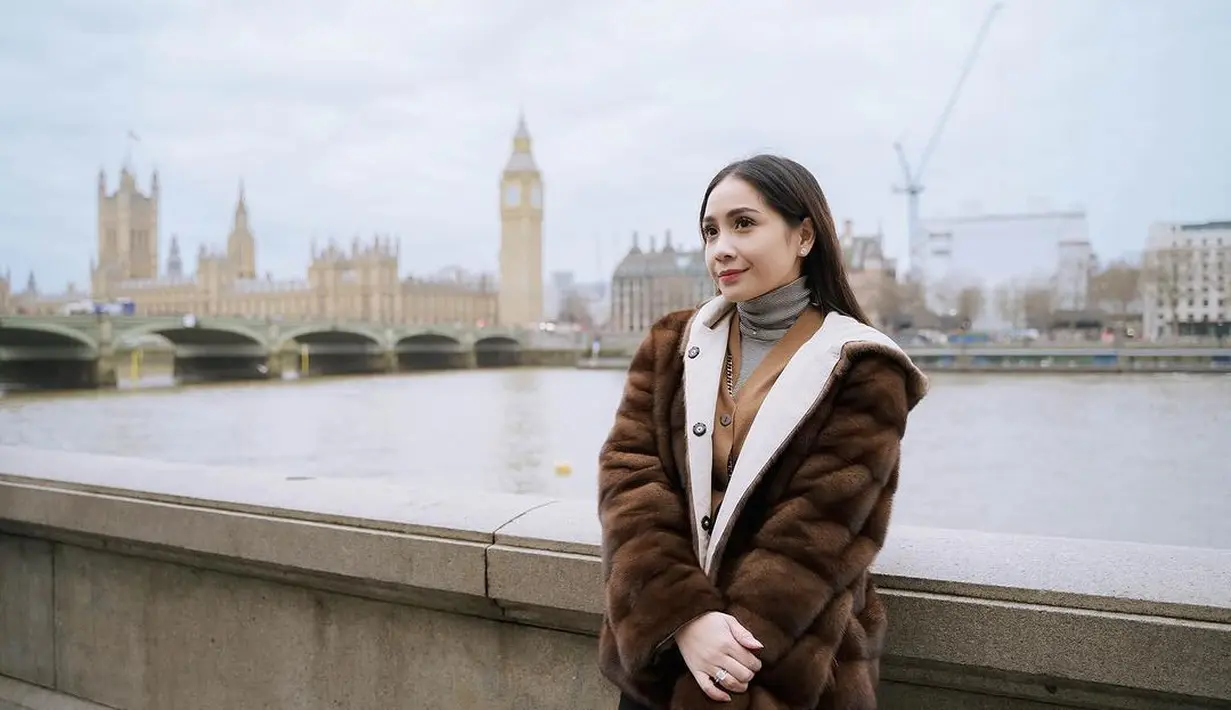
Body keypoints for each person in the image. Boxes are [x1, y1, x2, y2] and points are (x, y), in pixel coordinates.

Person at [596, 154, 929, 709]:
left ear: (804, 236)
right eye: (710, 231)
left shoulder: (864, 367)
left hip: (788, 667)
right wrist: (682, 616)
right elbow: (629, 482)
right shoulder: (669, 345)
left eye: (743, 224)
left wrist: (723, 657)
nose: (720, 247)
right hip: (664, 655)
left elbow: (816, 535)